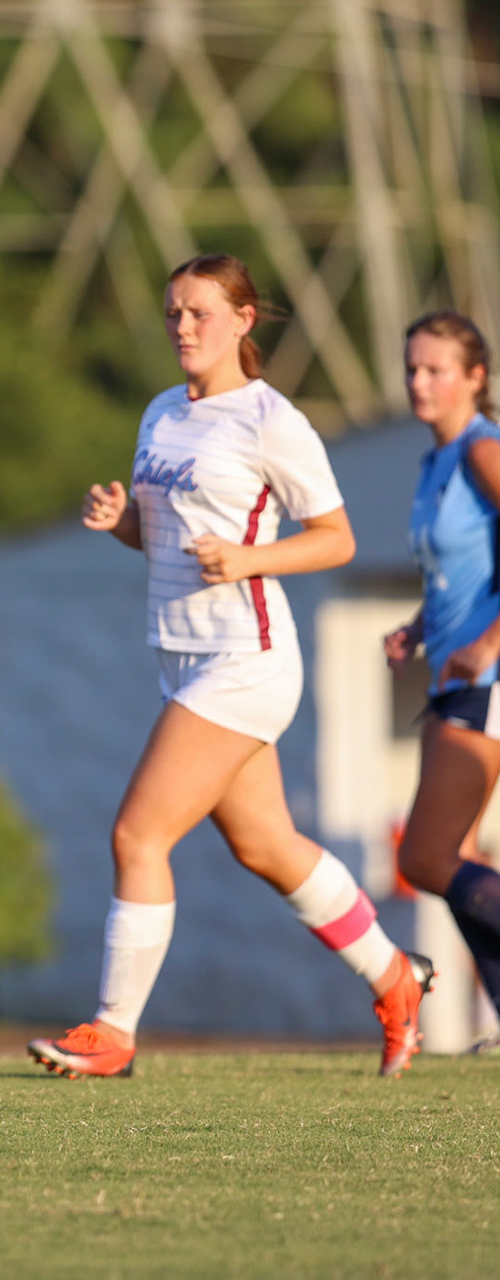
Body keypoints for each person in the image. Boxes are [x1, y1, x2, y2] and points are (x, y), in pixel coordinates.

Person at [27, 253, 431, 1080]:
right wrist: (118, 525)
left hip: (245, 658)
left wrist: (250, 559)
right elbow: (161, 538)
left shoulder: (270, 419)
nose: (182, 328)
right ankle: (395, 979)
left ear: (244, 322)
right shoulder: (161, 414)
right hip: (181, 658)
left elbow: (337, 538)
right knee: (267, 846)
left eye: (200, 314)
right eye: (174, 312)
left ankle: (113, 1033)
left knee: (138, 834)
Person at [384, 310, 500, 1042]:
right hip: (450, 678)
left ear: (475, 378)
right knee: (448, 859)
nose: (420, 381)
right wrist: (419, 628)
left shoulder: (483, 450)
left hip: (488, 678)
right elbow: (460, 570)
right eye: (412, 368)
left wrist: (489, 641)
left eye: (436, 369)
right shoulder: (436, 458)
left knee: (426, 858)